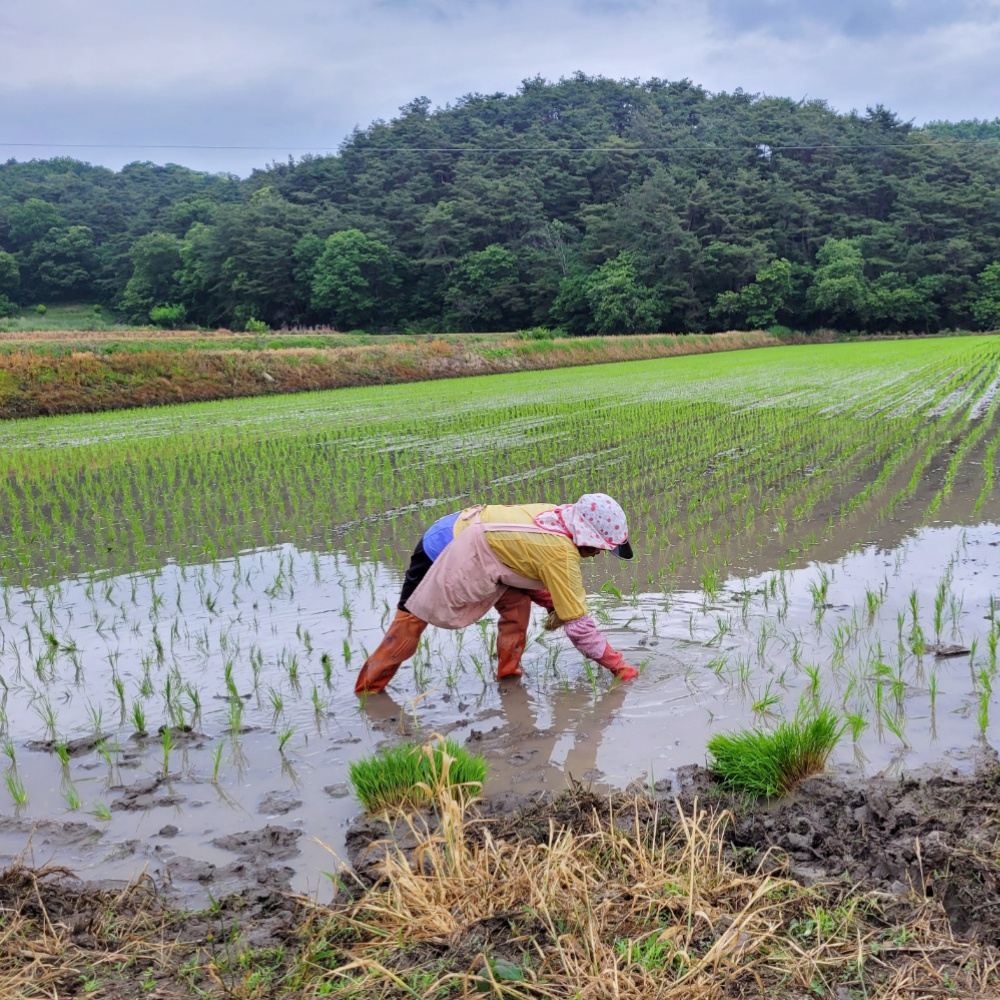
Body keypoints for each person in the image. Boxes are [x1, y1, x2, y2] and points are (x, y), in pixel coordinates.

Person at [353, 493, 639, 694]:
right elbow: (580, 630)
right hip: (444, 548)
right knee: (407, 631)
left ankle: (508, 678)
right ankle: (368, 693)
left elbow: (522, 560)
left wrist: (552, 602)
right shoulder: (561, 553)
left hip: (470, 537)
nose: (598, 554)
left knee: (516, 607)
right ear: (586, 538)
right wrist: (620, 667)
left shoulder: (557, 516)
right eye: (599, 548)